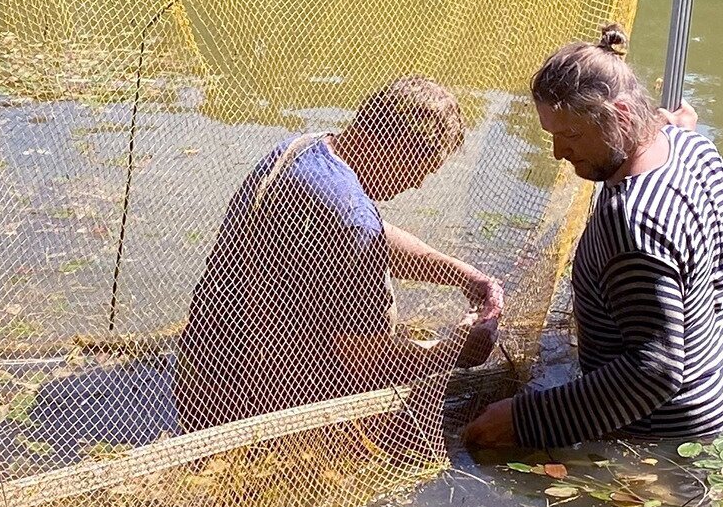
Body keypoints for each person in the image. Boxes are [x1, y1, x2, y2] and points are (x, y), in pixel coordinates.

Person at [462, 25, 723, 452]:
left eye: (570, 135)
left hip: (661, 431)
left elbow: (653, 370)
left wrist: (525, 419)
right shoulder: (690, 147)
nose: (558, 153)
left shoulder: (632, 220)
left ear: (621, 115)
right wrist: (695, 145)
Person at [175, 75, 505, 431]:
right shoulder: (351, 217)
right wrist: (453, 351)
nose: (417, 184)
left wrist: (461, 275)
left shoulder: (307, 147)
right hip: (254, 398)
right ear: (387, 147)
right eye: (417, 170)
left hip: (199, 363)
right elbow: (364, 368)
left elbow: (371, 237)